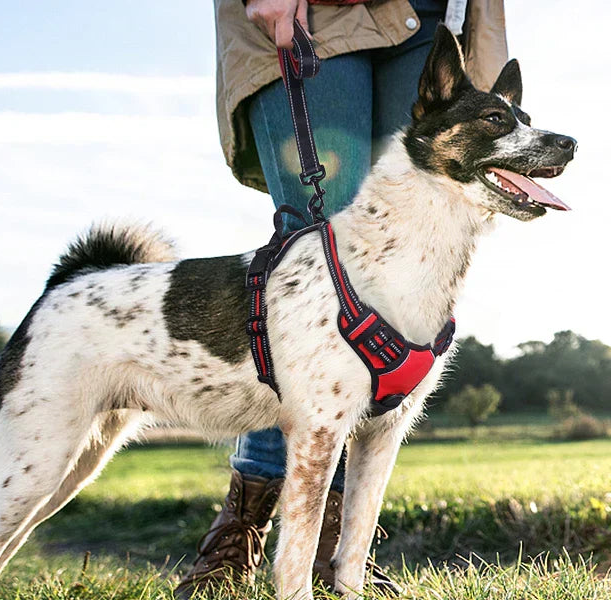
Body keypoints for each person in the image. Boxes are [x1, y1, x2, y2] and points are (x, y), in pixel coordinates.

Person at [174, 0, 507, 597]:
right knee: (314, 253)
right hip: (320, 13)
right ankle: (246, 523)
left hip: (429, 18)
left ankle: (338, 551)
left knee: (409, 253)